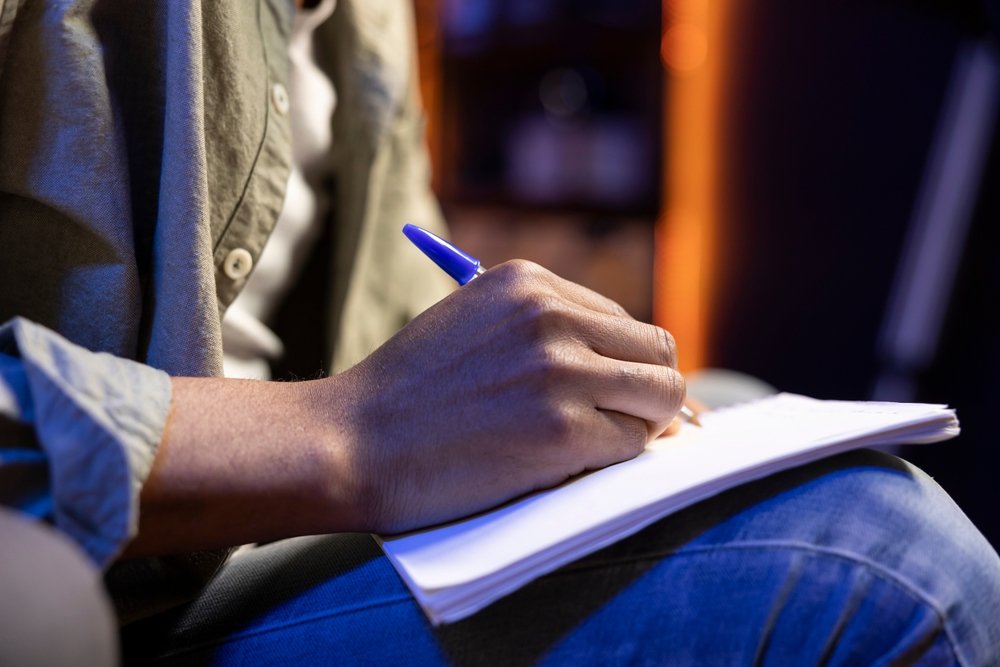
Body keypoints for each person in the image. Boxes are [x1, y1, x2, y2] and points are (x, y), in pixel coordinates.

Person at [1, 0, 999, 663]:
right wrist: (349, 430)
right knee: (885, 562)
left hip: (289, 530)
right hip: (117, 592)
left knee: (733, 411)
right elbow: (371, 411)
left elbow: (394, 301)